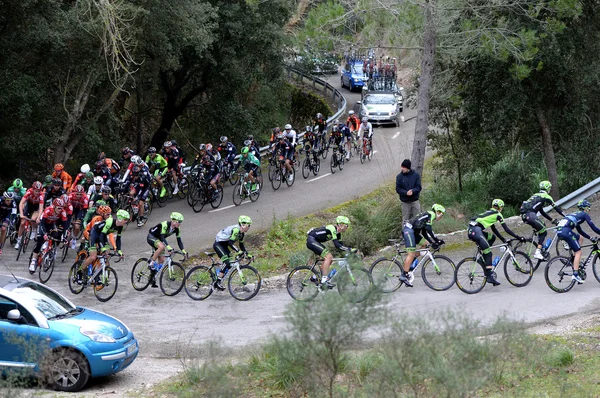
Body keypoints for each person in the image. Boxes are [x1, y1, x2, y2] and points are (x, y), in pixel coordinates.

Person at [467, 199, 526, 286]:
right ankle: (489, 276)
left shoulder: (489, 212)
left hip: (472, 230)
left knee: (492, 237)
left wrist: (503, 239)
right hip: (476, 231)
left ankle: (483, 257)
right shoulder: (498, 214)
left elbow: (494, 229)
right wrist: (518, 237)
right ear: (500, 208)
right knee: (489, 253)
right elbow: (506, 229)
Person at [400, 204, 446, 287]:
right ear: (438, 212)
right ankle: (404, 275)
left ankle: (411, 261)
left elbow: (424, 233)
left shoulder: (427, 216)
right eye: (441, 214)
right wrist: (436, 240)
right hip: (408, 231)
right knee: (411, 253)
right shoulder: (431, 214)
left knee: (426, 244)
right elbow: (429, 229)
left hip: (412, 232)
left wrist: (432, 242)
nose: (441, 217)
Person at [306, 216, 359, 286]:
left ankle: (315, 277)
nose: (347, 227)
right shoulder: (332, 229)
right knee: (329, 257)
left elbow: (340, 247)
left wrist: (347, 254)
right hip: (311, 240)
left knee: (329, 260)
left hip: (316, 241)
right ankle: (324, 280)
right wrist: (350, 249)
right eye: (346, 225)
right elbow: (337, 245)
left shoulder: (338, 234)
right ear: (341, 225)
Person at [556, 200, 600, 283]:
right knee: (579, 252)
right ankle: (575, 275)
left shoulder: (575, 214)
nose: (589, 210)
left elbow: (580, 231)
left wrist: (590, 238)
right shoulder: (584, 214)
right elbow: (593, 227)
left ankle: (574, 259)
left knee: (580, 237)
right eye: (588, 208)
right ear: (585, 208)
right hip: (566, 231)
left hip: (560, 231)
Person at [520, 180, 565, 260]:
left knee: (542, 225)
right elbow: (556, 208)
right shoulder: (546, 196)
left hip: (525, 216)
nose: (550, 190)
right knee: (544, 231)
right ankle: (537, 252)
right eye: (550, 188)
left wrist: (552, 220)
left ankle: (541, 248)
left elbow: (542, 212)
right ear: (547, 188)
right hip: (530, 215)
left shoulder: (537, 196)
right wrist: (566, 215)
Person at [79, 209, 129, 278]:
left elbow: (118, 239)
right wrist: (102, 248)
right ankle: (80, 271)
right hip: (95, 234)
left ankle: (102, 273)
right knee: (93, 256)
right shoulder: (110, 222)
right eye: (125, 220)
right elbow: (101, 236)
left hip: (102, 235)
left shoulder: (121, 226)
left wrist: (119, 251)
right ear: (120, 218)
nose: (126, 222)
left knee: (107, 254)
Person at [146, 212, 188, 287]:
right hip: (151, 237)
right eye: (179, 222)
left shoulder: (177, 229)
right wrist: (168, 247)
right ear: (174, 221)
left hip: (159, 240)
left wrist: (184, 251)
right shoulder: (165, 224)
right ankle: (151, 262)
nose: (180, 224)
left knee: (161, 260)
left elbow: (179, 240)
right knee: (162, 247)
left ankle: (152, 278)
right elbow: (162, 237)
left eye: (181, 222)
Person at [213, 215, 253, 290]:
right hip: (218, 244)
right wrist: (238, 251)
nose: (249, 227)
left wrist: (248, 254)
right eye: (248, 225)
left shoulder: (241, 234)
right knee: (227, 262)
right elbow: (230, 243)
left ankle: (219, 273)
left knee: (230, 263)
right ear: (243, 225)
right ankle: (217, 282)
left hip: (224, 245)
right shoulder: (236, 230)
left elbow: (242, 246)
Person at [29, 198, 69, 273]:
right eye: (59, 208)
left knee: (56, 235)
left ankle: (50, 250)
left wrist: (64, 236)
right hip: (43, 224)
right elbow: (42, 223)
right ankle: (33, 261)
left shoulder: (63, 212)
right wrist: (45, 234)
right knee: (40, 240)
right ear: (54, 207)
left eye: (62, 208)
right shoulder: (48, 210)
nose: (60, 210)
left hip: (51, 224)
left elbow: (65, 225)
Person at [16, 181, 45, 250]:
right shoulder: (29, 192)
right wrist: (21, 214)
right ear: (33, 189)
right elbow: (21, 203)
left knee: (33, 219)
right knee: (22, 223)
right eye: (36, 191)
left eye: (39, 191)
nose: (37, 193)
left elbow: (41, 208)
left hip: (36, 208)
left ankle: (34, 229)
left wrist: (38, 218)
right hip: (29, 206)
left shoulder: (41, 195)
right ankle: (18, 240)